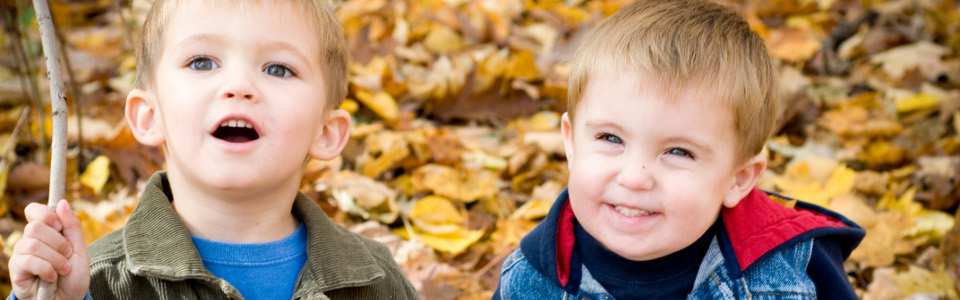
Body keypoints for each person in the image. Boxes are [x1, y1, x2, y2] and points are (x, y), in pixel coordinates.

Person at [8, 1, 418, 299]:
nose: (238, 85)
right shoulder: (96, 284)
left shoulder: (373, 281)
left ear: (326, 132)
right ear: (149, 116)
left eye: (278, 68)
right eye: (202, 62)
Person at [495, 0, 865, 299]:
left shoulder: (792, 266)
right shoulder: (531, 281)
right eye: (611, 139)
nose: (634, 178)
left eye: (678, 152)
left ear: (738, 179)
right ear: (571, 142)